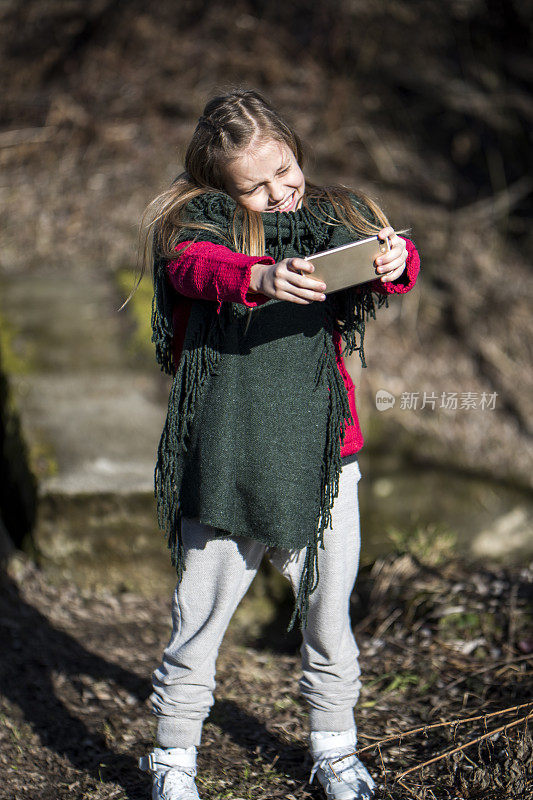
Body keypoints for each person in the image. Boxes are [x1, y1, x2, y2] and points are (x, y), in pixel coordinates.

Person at [135, 89, 420, 800]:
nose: (278, 191)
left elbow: (399, 256)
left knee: (329, 613)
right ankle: (172, 756)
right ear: (220, 185)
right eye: (255, 186)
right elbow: (190, 270)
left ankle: (333, 746)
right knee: (199, 617)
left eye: (283, 170)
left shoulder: (330, 215)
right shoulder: (196, 224)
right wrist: (257, 277)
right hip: (227, 450)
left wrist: (394, 260)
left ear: (296, 150)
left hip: (328, 452)